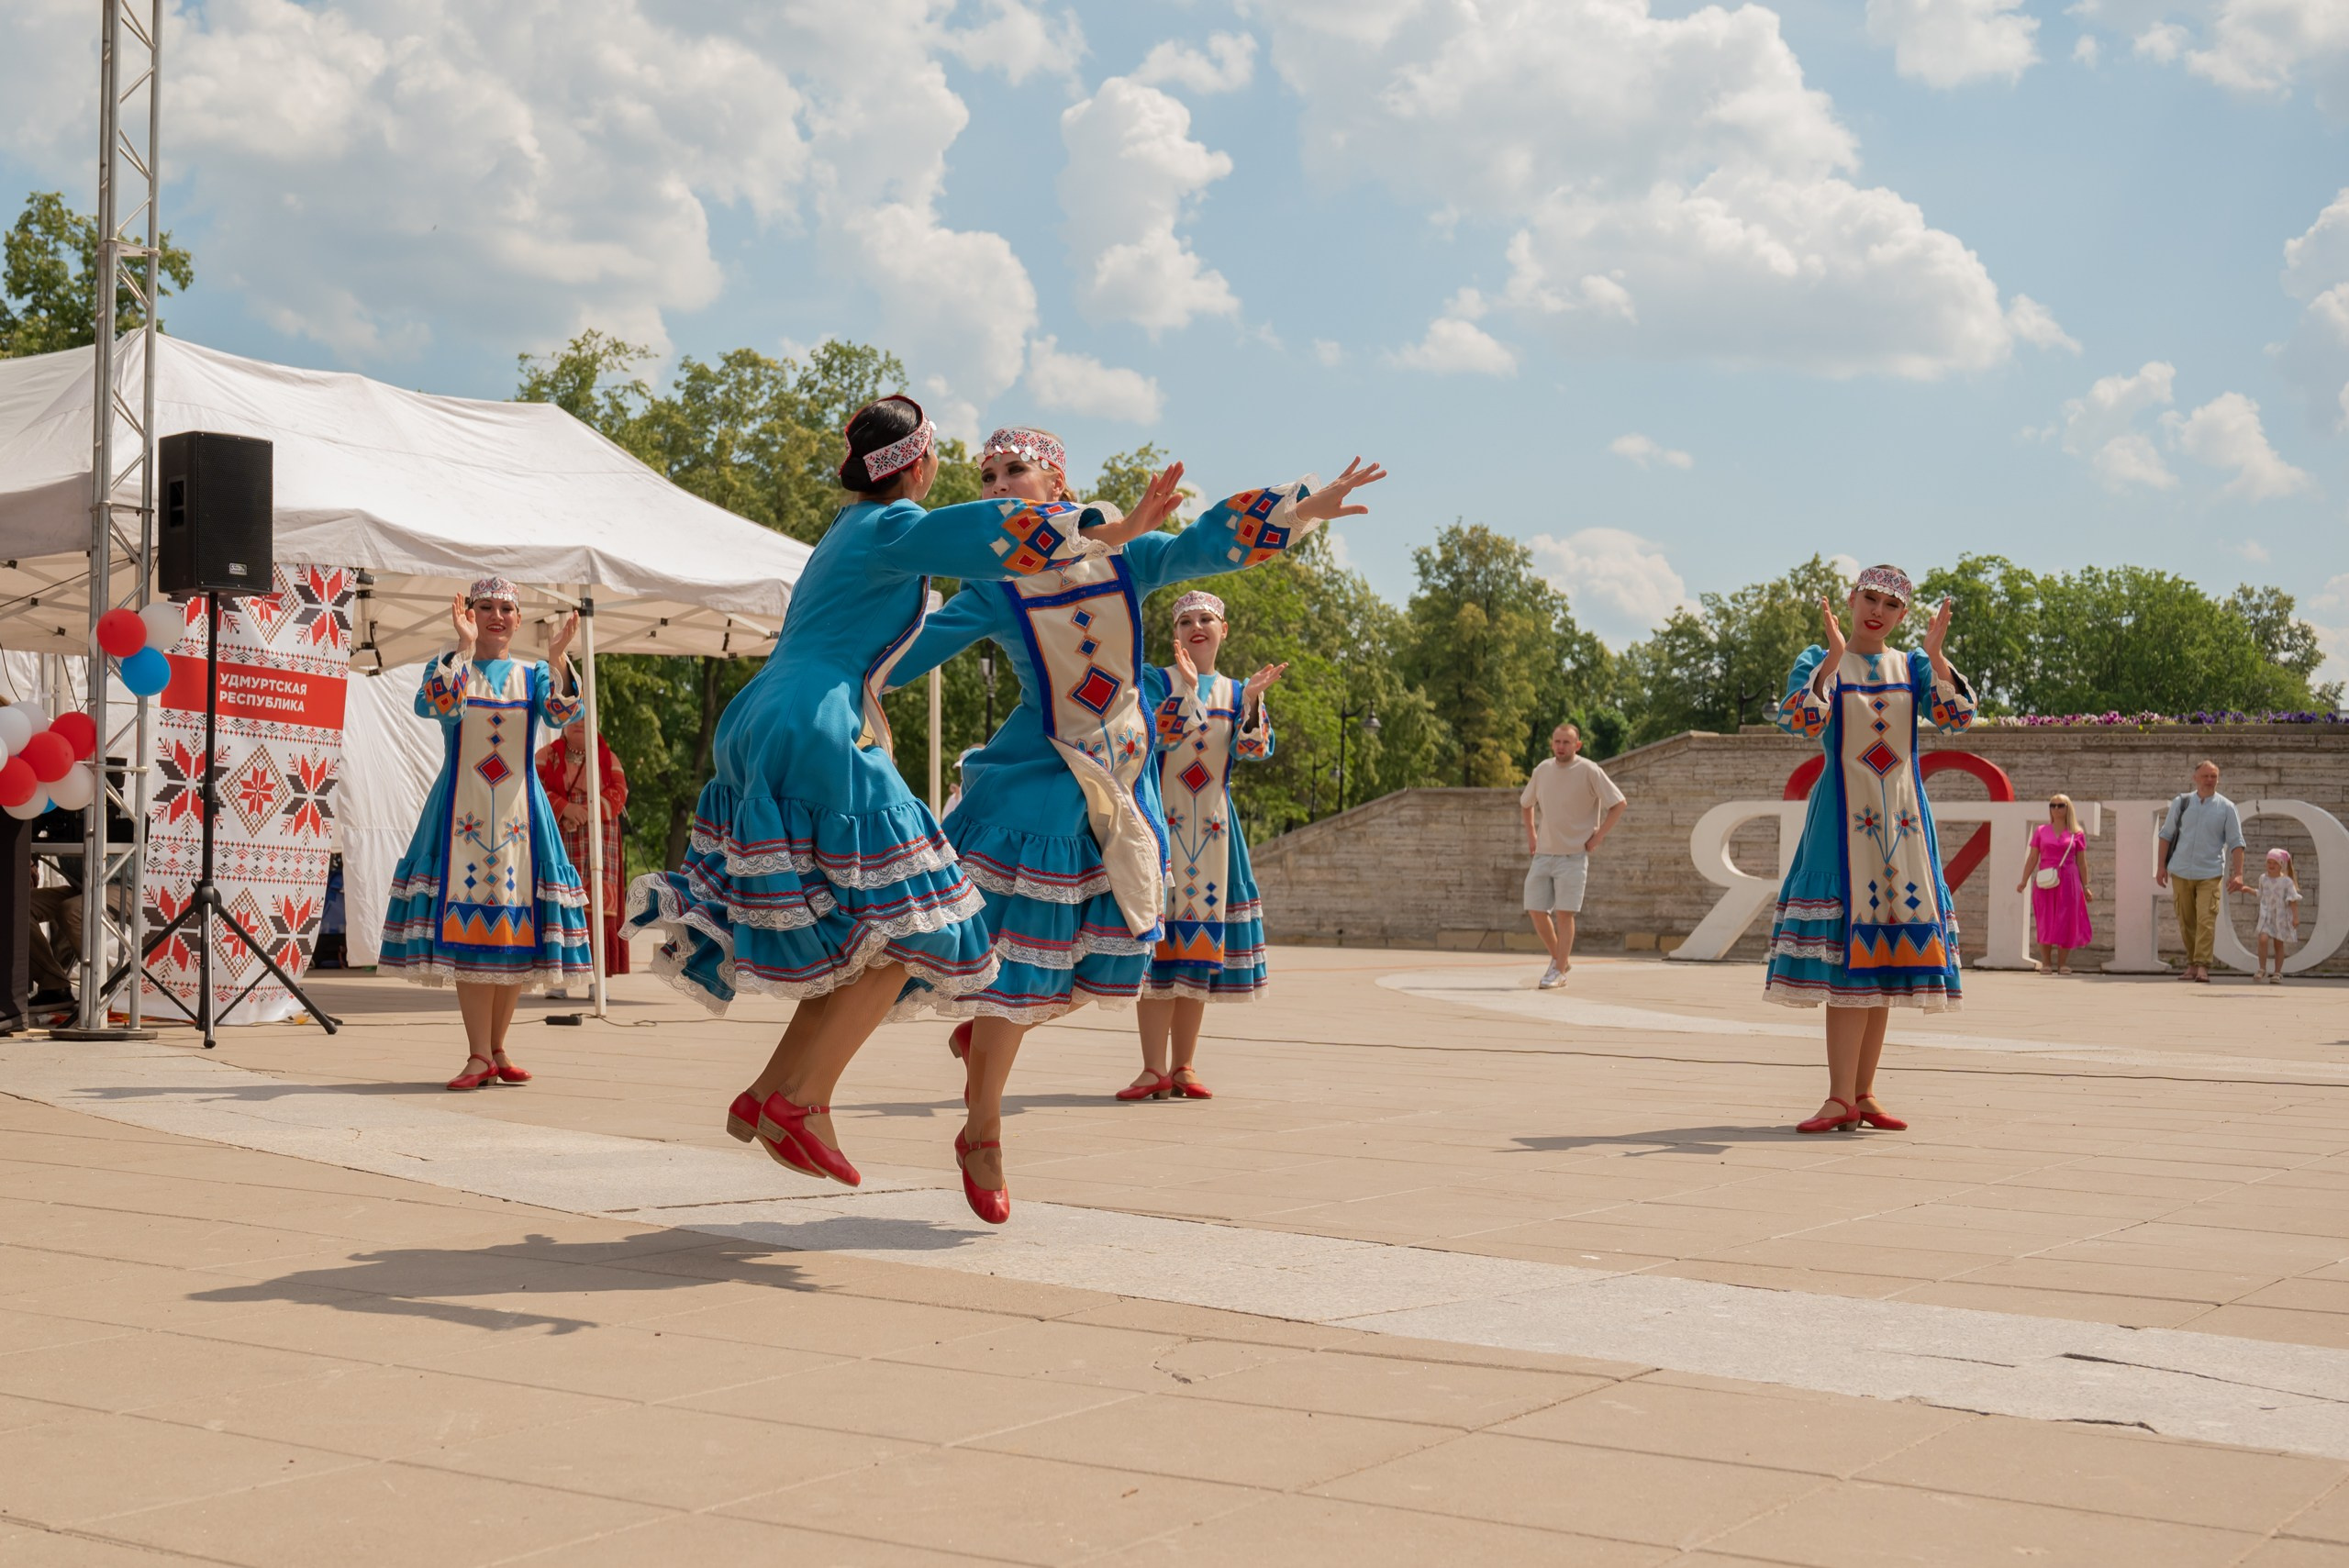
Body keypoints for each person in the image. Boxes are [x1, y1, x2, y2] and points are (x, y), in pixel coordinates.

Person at [624, 397, 1171, 1195]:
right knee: (931, 921)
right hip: (822, 721)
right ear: (916, 467)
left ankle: (775, 1087)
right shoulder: (897, 526)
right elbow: (1000, 534)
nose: (983, 482)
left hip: (764, 714)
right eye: (967, 469)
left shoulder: (845, 531)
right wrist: (1104, 529)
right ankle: (804, 1101)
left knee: (868, 930)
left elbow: (959, 584)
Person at [888, 426, 1385, 1223]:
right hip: (1038, 783)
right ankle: (982, 1133)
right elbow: (908, 649)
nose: (997, 483)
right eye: (986, 474)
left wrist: (1301, 509)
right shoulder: (992, 582)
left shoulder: (1119, 557)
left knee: (1133, 942)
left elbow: (1200, 545)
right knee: (1020, 967)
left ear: (1055, 482)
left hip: (1124, 785)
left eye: (1015, 469)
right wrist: (829, 670)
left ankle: (988, 1032)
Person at [1765, 565, 1976, 1135]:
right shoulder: (1818, 658)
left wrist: (1936, 652)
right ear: (1851, 600)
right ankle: (1839, 1096)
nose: (1877, 611)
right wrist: (1833, 660)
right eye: (1869, 598)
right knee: (1844, 960)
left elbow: (1958, 719)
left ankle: (1863, 1092)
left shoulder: (1912, 666)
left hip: (1904, 824)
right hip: (1840, 820)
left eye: (1891, 604)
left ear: (1903, 615)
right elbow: (1799, 721)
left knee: (1885, 955)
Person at [380, 578, 592, 1088]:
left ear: (519, 620)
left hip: (522, 815)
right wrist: (463, 647)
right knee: (473, 932)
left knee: (515, 934)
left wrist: (560, 659)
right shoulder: (451, 668)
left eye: (506, 609)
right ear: (469, 613)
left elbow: (566, 713)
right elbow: (437, 707)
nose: (495, 616)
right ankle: (478, 1054)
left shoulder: (534, 673)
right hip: (460, 813)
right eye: (485, 607)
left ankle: (497, 1049)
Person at [1123, 591, 1286, 1101]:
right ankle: (1154, 1069)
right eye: (1187, 620)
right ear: (1176, 634)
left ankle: (1185, 1066)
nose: (1197, 627)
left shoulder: (1239, 692)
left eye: (1206, 619)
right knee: (1155, 951)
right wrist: (1188, 692)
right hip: (1161, 825)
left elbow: (1253, 750)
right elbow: (1148, 739)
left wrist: (1256, 700)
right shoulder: (1156, 680)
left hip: (1213, 832)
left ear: (1223, 629)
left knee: (1196, 951)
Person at [1519, 722, 1626, 989]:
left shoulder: (1589, 770)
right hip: (1543, 854)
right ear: (1551, 743)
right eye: (1557, 742)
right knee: (1535, 908)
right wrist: (1532, 835)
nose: (1561, 747)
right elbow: (1525, 803)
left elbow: (1619, 803)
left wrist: (1598, 836)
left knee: (1565, 914)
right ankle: (1559, 960)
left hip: (1574, 856)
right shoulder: (1542, 770)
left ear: (1577, 745)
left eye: (1567, 742)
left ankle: (1558, 972)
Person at [537, 717, 629, 995]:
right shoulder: (546, 756)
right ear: (562, 723)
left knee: (598, 909)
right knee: (561, 904)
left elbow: (619, 791)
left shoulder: (607, 757)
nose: (579, 723)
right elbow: (535, 789)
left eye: (585, 718)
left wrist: (587, 812)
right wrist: (564, 809)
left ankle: (596, 981)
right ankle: (558, 981)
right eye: (573, 718)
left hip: (600, 841)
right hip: (561, 837)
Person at [2155, 760, 2246, 984]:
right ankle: (2192, 965)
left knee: (2206, 919)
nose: (2209, 780)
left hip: (2210, 872)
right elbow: (2166, 835)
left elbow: (2236, 842)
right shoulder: (2182, 802)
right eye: (2205, 776)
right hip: (2181, 870)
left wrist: (2238, 873)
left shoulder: (2226, 807)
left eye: (2213, 776)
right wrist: (2160, 867)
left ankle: (2203, 966)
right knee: (2186, 920)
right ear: (2195, 778)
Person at [2015, 792, 2093, 975]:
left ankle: (2063, 963)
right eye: (2053, 805)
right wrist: (2024, 880)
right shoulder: (2041, 831)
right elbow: (2033, 857)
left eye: (2060, 805)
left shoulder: (2076, 833)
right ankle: (2046, 963)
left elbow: (2082, 862)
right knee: (2045, 919)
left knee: (2066, 920)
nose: (2056, 809)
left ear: (2068, 808)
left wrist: (2086, 886)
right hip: (2045, 879)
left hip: (2069, 880)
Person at [2255, 848, 2301, 984]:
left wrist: (2295, 916)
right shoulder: (2263, 878)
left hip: (2280, 917)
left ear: (2281, 864)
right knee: (2263, 939)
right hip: (2266, 915)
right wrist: (2247, 890)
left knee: (2278, 944)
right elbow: (2261, 893)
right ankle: (2262, 968)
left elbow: (2292, 900)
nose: (2271, 865)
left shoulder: (2287, 881)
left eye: (2274, 863)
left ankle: (2277, 972)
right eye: (2268, 862)